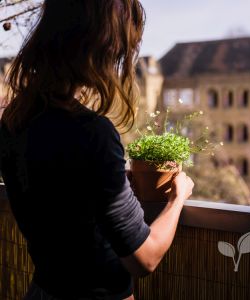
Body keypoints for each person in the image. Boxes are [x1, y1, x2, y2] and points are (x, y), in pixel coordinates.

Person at [0, 1, 194, 299]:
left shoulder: (14, 120)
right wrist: (178, 197)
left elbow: (65, 201)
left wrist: (109, 185)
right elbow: (145, 258)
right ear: (103, 48)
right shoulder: (92, 133)